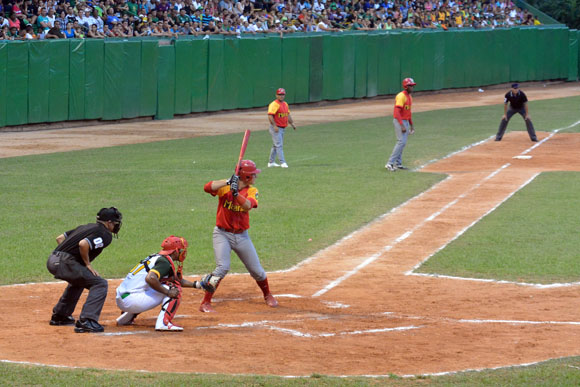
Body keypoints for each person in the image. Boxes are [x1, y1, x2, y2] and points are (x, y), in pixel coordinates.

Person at [200, 160, 278, 313]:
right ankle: (205, 303)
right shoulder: (225, 188)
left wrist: (236, 194)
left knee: (257, 271)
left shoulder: (251, 190)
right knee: (222, 267)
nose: (256, 176)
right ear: (247, 176)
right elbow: (207, 187)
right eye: (254, 174)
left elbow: (248, 205)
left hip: (242, 236)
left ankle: (267, 295)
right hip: (222, 234)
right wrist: (227, 182)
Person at [46, 207, 123, 333]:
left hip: (52, 259)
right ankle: (87, 321)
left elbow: (60, 238)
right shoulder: (105, 234)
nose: (116, 226)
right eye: (115, 223)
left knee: (80, 281)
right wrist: (87, 264)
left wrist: (66, 256)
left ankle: (61, 315)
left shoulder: (85, 227)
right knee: (99, 283)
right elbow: (83, 244)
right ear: (109, 222)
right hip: (65, 262)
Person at [115, 236, 215, 331]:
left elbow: (175, 279)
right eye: (180, 250)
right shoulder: (164, 262)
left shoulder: (158, 258)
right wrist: (168, 292)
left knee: (164, 284)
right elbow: (150, 278)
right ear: (175, 251)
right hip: (132, 300)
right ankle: (164, 323)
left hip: (123, 297)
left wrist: (198, 285)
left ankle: (127, 317)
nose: (182, 252)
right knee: (173, 289)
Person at [386, 78, 416, 171]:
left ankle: (398, 164)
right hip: (399, 121)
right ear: (406, 86)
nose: (412, 87)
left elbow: (408, 112)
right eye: (410, 86)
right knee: (401, 142)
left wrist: (411, 125)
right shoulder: (401, 96)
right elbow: (396, 112)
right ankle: (390, 163)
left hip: (406, 121)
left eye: (413, 86)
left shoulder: (410, 97)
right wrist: (401, 125)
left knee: (403, 143)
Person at [267, 88, 296, 168]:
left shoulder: (285, 104)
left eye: (282, 94)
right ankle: (282, 162)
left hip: (282, 128)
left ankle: (271, 162)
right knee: (279, 145)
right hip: (276, 128)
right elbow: (270, 115)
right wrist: (274, 125)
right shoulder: (274, 104)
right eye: (279, 94)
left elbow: (287, 114)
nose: (281, 96)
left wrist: (292, 123)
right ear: (276, 95)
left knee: (275, 145)